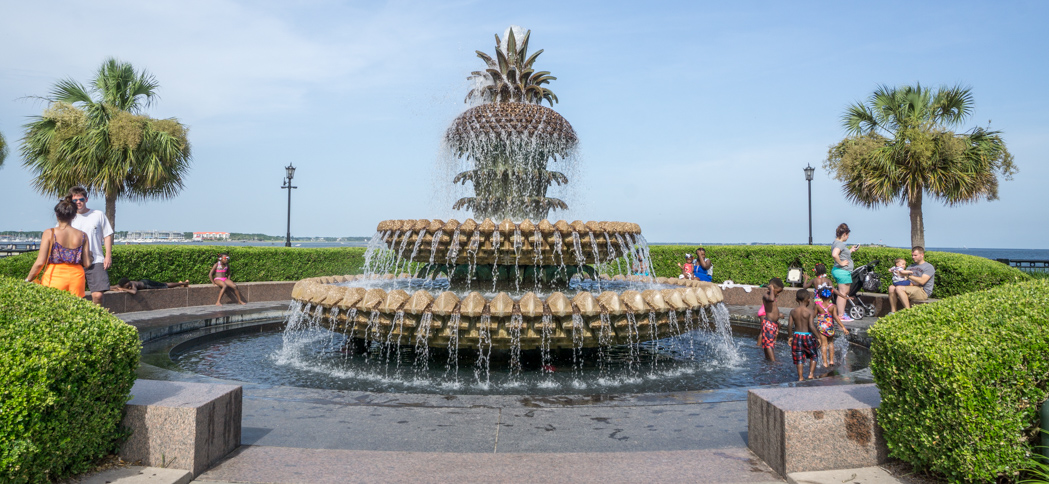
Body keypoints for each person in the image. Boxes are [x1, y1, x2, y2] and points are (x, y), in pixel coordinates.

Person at [25, 197, 92, 297]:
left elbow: (40, 263)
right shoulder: (83, 235)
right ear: (74, 216)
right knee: (75, 309)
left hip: (55, 275)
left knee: (54, 308)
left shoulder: (50, 233)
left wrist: (27, 280)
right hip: (77, 276)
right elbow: (87, 263)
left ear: (57, 215)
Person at [69, 187, 114, 305]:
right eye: (75, 200)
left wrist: (108, 255)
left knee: (98, 295)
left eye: (81, 199)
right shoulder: (69, 217)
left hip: (96, 260)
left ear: (86, 199)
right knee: (74, 296)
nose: (78, 202)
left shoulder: (98, 214)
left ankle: (99, 319)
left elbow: (107, 235)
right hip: (75, 262)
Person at [888, 247, 935, 313]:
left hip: (922, 291)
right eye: (912, 255)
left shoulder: (928, 267)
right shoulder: (910, 267)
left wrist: (907, 275)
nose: (913, 257)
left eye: (915, 255)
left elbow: (922, 281)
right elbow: (905, 279)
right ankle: (893, 312)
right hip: (910, 287)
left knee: (899, 288)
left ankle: (908, 312)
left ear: (922, 255)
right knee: (891, 288)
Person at [812, 282, 849, 366]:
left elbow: (813, 316)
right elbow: (836, 318)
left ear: (820, 296)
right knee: (831, 343)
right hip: (830, 327)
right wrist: (843, 327)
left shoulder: (818, 306)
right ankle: (831, 361)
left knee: (824, 344)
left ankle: (825, 362)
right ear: (831, 296)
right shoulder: (833, 306)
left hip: (821, 327)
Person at [786, 289, 819, 381]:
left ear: (796, 300)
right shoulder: (810, 312)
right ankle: (811, 374)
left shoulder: (793, 311)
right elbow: (812, 327)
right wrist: (818, 337)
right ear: (808, 300)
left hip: (796, 336)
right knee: (814, 355)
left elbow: (789, 326)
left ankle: (800, 377)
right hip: (808, 336)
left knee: (798, 356)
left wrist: (790, 337)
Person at [830, 223, 859, 322]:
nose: (847, 237)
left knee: (844, 292)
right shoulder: (840, 243)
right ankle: (841, 315)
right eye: (847, 235)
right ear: (844, 234)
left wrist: (850, 251)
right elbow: (835, 255)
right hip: (842, 271)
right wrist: (841, 263)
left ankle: (841, 313)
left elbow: (841, 255)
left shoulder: (836, 242)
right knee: (843, 293)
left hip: (841, 271)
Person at [757, 277, 784, 362]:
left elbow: (772, 310)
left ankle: (767, 359)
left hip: (772, 323)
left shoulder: (771, 296)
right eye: (778, 291)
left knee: (768, 343)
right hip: (768, 323)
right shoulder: (767, 296)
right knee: (769, 344)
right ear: (771, 287)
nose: (778, 294)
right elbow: (771, 300)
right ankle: (773, 361)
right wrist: (772, 289)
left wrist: (778, 315)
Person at [111, 277, 191, 295]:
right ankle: (181, 283)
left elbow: (134, 292)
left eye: (126, 285)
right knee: (164, 284)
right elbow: (113, 287)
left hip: (148, 285)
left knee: (165, 285)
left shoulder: (133, 284)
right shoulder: (123, 284)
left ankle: (183, 283)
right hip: (144, 282)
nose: (126, 286)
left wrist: (123, 289)